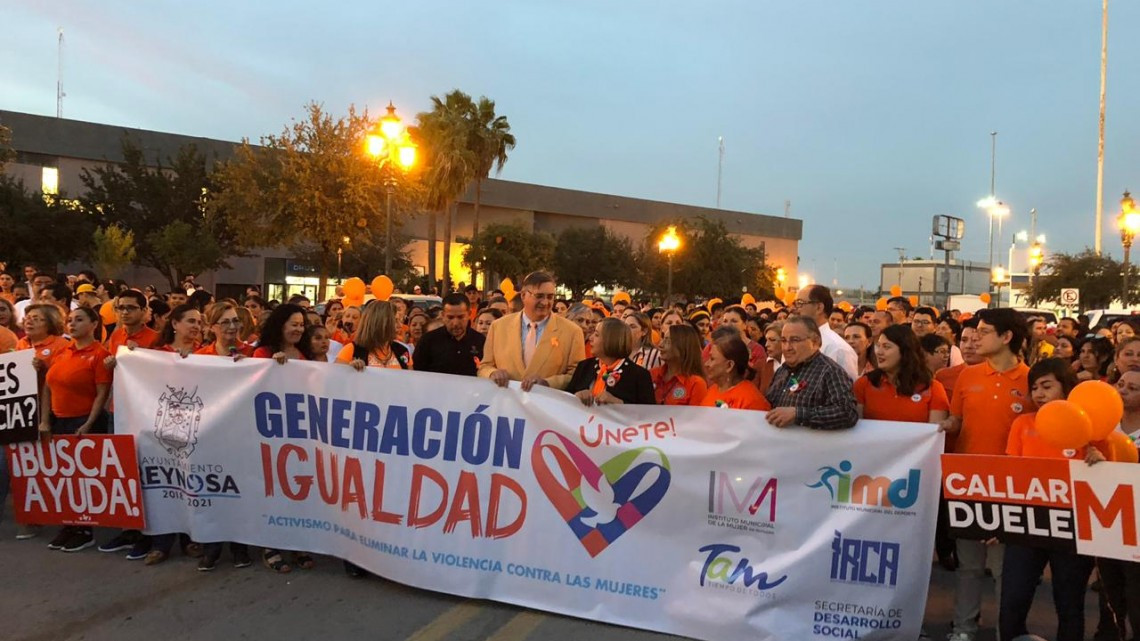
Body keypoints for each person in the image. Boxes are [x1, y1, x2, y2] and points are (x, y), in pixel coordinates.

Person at [939, 307, 1033, 641]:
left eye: (984, 331)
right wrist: (935, 427)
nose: (975, 337)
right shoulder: (968, 375)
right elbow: (957, 422)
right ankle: (963, 628)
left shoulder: (1030, 380)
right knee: (969, 566)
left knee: (1005, 568)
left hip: (1010, 488)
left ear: (1007, 337)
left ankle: (1006, 630)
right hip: (966, 484)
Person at [1000, 358, 1105, 641]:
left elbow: (1107, 481)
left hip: (1073, 527)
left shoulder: (1091, 428)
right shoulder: (1022, 424)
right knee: (1012, 598)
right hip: (1026, 524)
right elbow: (1011, 475)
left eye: (1047, 386)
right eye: (1034, 388)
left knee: (1069, 602)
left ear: (1067, 387)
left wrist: (1100, 460)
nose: (1040, 393)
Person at [38, 307, 112, 553]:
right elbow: (48, 386)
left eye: (79, 320)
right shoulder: (62, 352)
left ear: (93, 324)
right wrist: (45, 420)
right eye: (70, 320)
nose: (72, 324)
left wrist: (88, 424)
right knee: (64, 477)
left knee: (85, 479)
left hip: (84, 421)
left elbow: (102, 393)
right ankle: (69, 524)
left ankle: (85, 529)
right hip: (59, 421)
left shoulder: (100, 354)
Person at [478, 271, 585, 391]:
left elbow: (577, 375)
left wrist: (548, 383)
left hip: (546, 405)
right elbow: (484, 367)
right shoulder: (498, 327)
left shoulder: (572, 332)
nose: (545, 302)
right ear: (523, 295)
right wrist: (492, 373)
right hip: (506, 404)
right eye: (539, 296)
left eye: (550, 297)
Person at [1094, 370, 1140, 641]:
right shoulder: (1103, 427)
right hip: (1106, 520)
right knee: (1109, 588)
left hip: (1137, 525)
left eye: (1133, 388)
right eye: (1121, 384)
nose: (1123, 391)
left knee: (1136, 591)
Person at [764, 316, 858, 430]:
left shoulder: (830, 372)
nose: (787, 347)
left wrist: (798, 414)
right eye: (783, 340)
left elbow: (847, 412)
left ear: (815, 342)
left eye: (795, 340)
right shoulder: (782, 371)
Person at [855, 324, 948, 423]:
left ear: (905, 351)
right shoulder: (864, 384)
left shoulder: (933, 389)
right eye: (878, 346)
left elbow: (934, 433)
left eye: (886, 347)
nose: (879, 352)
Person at [566, 317, 655, 406]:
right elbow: (565, 400)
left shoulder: (639, 376)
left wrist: (618, 403)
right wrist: (576, 396)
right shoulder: (584, 366)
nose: (590, 338)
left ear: (611, 340)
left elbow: (647, 414)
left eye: (596, 335)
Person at [793, 285, 859, 381]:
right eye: (795, 303)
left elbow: (847, 390)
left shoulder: (838, 349)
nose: (795, 308)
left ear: (819, 307)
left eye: (800, 303)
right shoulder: (791, 342)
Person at [414, 293, 484, 376]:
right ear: (443, 315)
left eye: (460, 317)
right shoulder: (428, 341)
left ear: (469, 314)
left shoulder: (480, 341)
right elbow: (417, 373)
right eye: (450, 317)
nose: (455, 323)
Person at [701, 331, 770, 411]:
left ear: (729, 365)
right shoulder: (712, 390)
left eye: (712, 359)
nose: (707, 364)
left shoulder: (751, 401)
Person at [337, 301, 411, 370]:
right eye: (395, 321)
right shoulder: (352, 350)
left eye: (400, 320)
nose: (400, 325)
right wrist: (349, 371)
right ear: (379, 323)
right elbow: (336, 380)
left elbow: (411, 380)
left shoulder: (402, 351)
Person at [650, 324, 707, 406]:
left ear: (683, 346)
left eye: (668, 341)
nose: (660, 345)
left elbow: (696, 417)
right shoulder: (652, 374)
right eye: (663, 339)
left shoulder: (696, 384)